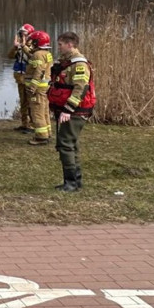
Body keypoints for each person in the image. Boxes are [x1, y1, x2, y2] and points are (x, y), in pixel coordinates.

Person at [47, 31, 96, 192]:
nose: (58, 47)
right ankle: (76, 180)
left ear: (70, 44)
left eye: (60, 44)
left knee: (66, 144)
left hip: (75, 111)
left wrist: (68, 110)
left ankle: (71, 183)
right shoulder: (66, 63)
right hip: (69, 110)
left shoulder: (79, 65)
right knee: (71, 144)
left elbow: (80, 88)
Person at [22, 30, 53, 145]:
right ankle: (47, 133)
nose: (31, 43)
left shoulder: (38, 54)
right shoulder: (46, 53)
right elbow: (32, 55)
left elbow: (39, 70)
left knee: (37, 113)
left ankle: (41, 137)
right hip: (44, 88)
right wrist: (23, 46)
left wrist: (33, 87)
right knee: (44, 111)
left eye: (33, 41)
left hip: (37, 89)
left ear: (37, 42)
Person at [7, 23, 34, 133]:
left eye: (25, 34)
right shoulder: (18, 45)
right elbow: (9, 56)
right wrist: (15, 47)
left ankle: (33, 125)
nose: (23, 36)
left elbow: (32, 57)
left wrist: (24, 47)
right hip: (20, 77)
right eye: (21, 34)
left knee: (31, 102)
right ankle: (24, 124)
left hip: (30, 78)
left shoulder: (34, 46)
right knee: (23, 101)